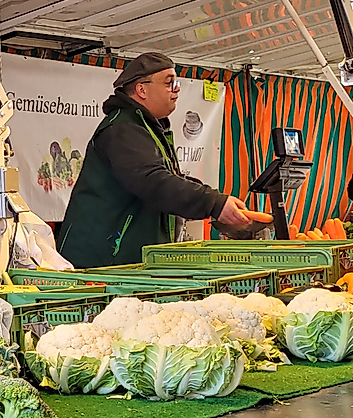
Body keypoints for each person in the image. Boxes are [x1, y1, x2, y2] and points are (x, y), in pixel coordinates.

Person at [57, 52, 250, 268]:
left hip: (121, 262)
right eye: (169, 83)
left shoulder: (144, 127)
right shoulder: (122, 129)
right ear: (141, 89)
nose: (177, 88)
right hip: (103, 262)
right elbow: (153, 181)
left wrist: (217, 201)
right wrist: (212, 203)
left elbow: (166, 177)